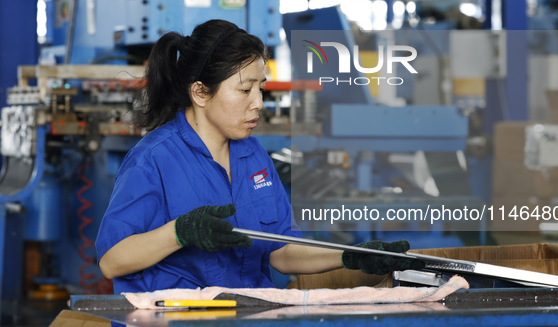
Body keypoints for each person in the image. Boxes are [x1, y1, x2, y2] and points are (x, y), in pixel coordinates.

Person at [95, 19, 424, 294]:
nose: (257, 104)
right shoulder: (154, 159)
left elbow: (281, 251)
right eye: (244, 89)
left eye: (260, 89)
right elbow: (112, 260)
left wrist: (352, 255)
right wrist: (179, 232)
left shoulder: (252, 154)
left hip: (248, 313)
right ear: (199, 93)